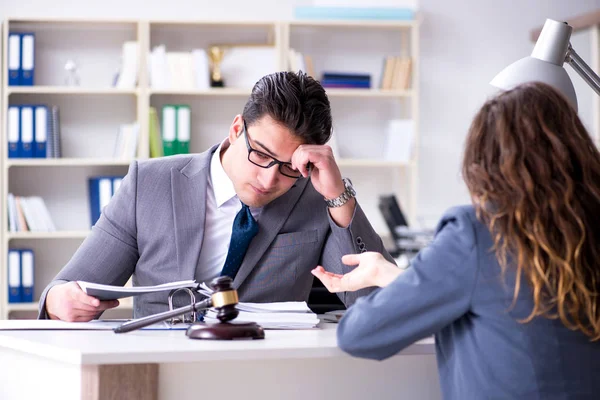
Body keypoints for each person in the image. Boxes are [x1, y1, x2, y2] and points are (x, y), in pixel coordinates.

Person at [312, 82, 600, 399]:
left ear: (484, 165)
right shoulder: (586, 229)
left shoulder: (477, 232)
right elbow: (499, 294)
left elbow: (358, 334)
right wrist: (390, 275)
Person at [39, 71, 392, 322]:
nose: (269, 179)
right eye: (261, 154)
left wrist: (338, 196)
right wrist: (59, 301)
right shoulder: (149, 184)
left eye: (287, 167)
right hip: (155, 373)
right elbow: (63, 289)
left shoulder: (315, 198)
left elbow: (378, 304)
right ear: (237, 129)